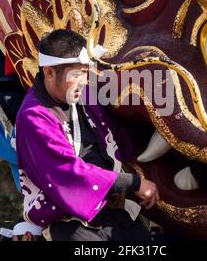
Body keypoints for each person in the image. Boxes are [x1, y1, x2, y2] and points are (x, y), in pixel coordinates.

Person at [15, 29, 160, 241]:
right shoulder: (34, 117)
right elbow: (67, 172)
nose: (83, 80)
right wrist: (132, 183)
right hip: (72, 224)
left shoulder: (85, 94)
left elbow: (119, 133)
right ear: (48, 72)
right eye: (76, 74)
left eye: (85, 72)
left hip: (116, 211)